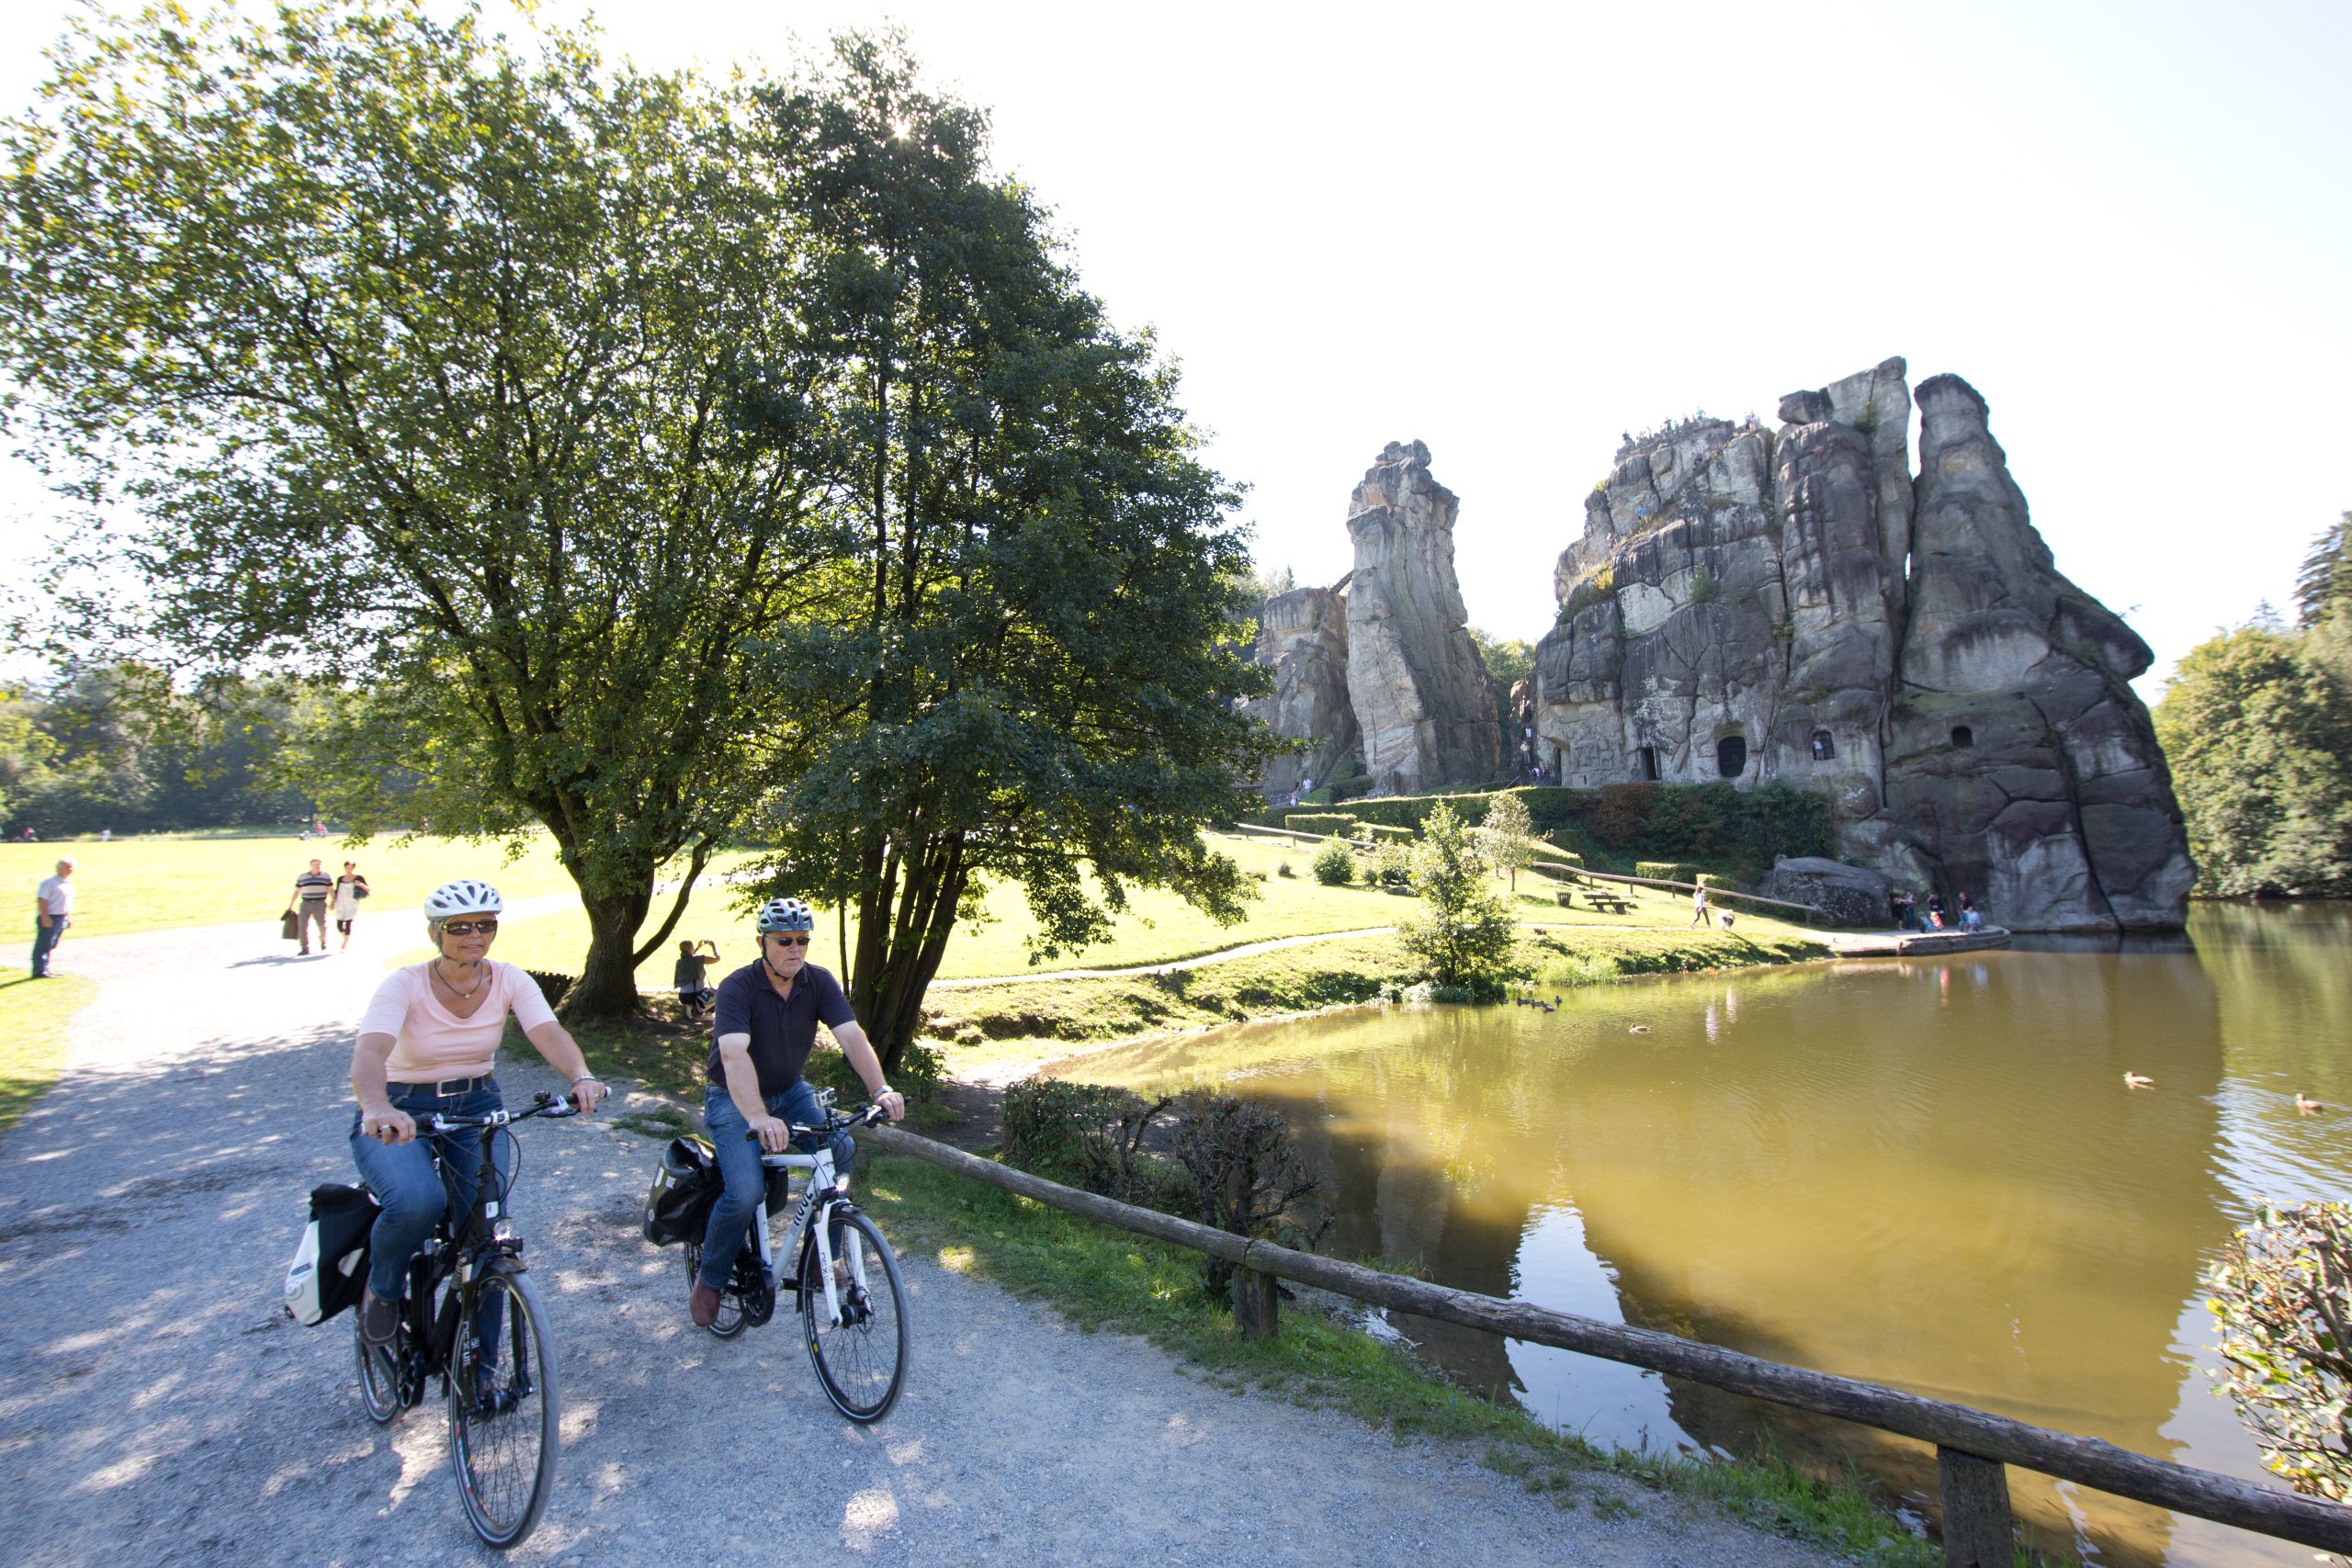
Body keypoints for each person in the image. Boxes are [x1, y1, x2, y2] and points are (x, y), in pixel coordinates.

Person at [348, 880, 606, 1346]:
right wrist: (376, 1105)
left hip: (476, 1105)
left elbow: (547, 1032)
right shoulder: (403, 984)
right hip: (401, 1108)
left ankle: (483, 1375)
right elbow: (370, 1052)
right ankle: (382, 1290)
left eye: (485, 925)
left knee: (486, 1237)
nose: (474, 935)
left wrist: (581, 1076)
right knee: (415, 1202)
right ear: (435, 933)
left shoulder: (509, 978)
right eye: (459, 927)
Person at [692, 897, 905, 1328]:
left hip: (789, 1092)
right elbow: (733, 1056)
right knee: (746, 1191)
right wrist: (756, 1117)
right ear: (762, 942)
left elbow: (852, 1037)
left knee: (840, 1151)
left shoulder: (818, 982)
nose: (795, 949)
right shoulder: (738, 987)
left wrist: (880, 1088)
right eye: (784, 940)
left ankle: (820, 1259)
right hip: (732, 1100)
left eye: (802, 940)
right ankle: (710, 1279)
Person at [30, 858, 74, 977]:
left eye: (71, 867)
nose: (70, 870)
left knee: (52, 944)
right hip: (50, 917)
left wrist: (68, 917)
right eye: (67, 867)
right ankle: (39, 971)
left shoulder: (67, 883)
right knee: (44, 944)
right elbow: (42, 899)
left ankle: (45, 968)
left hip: (61, 917)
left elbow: (66, 902)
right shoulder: (50, 882)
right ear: (59, 868)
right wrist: (45, 916)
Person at [288, 857, 333, 955]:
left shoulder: (325, 876)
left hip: (320, 903)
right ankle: (304, 948)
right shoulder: (303, 877)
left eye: (319, 864)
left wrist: (333, 900)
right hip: (306, 903)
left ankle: (323, 940)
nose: (317, 866)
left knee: (322, 925)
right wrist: (291, 904)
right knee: (302, 926)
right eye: (315, 864)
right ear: (311, 865)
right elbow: (297, 891)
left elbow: (330, 889)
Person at [673, 938, 719, 1021]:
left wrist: (698, 948)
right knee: (716, 993)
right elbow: (717, 958)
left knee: (697, 995)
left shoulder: (679, 962)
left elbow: (689, 957)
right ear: (691, 948)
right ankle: (708, 1014)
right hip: (697, 996)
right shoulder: (699, 959)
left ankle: (689, 1007)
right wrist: (713, 946)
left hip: (683, 996)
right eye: (693, 947)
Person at [333, 861, 369, 952]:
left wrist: (360, 885)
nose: (349, 869)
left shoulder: (358, 878)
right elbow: (337, 891)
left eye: (351, 867)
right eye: (347, 867)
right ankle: (345, 937)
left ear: (353, 868)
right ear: (344, 867)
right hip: (341, 902)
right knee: (339, 924)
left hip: (352, 903)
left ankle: (345, 941)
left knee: (348, 922)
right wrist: (333, 901)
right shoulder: (340, 879)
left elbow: (368, 889)